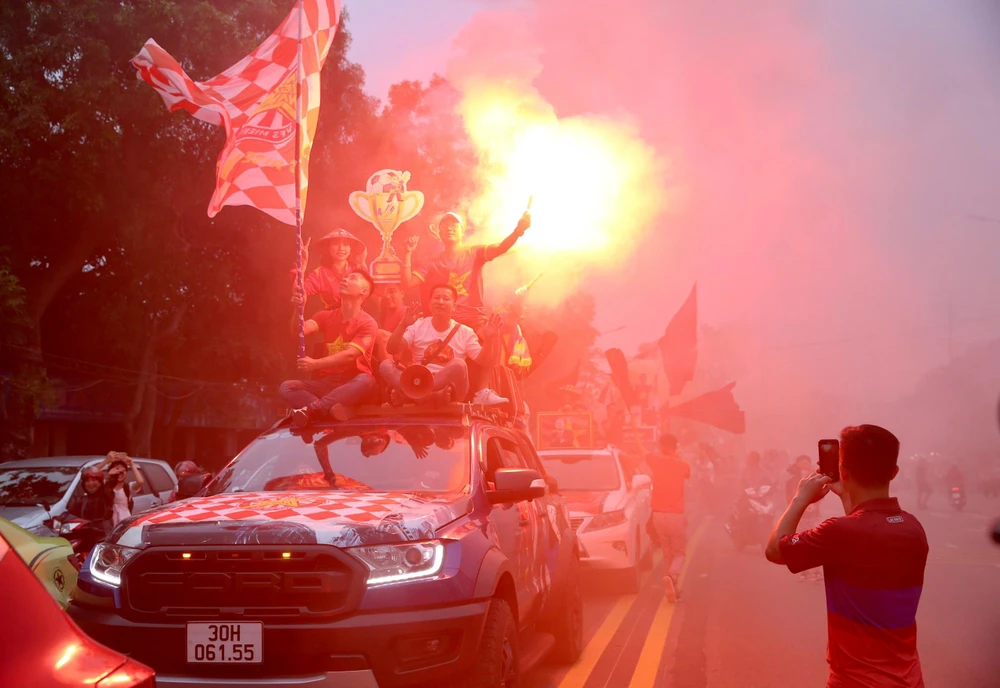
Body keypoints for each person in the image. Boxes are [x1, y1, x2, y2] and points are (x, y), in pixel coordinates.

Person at [765, 425, 929, 688]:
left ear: (843, 471)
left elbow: (775, 550)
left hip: (855, 681)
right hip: (909, 680)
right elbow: (864, 533)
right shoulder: (912, 528)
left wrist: (800, 498)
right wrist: (845, 494)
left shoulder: (839, 532)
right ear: (894, 472)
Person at [401, 211, 531, 331]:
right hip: (444, 325)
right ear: (439, 233)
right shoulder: (432, 263)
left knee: (488, 341)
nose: (449, 228)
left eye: (454, 225)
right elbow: (407, 284)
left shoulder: (475, 253)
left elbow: (500, 248)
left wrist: (517, 231)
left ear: (462, 230)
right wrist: (407, 253)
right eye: (444, 226)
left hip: (474, 322)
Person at [280, 269, 379, 426]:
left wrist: (315, 364)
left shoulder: (368, 323)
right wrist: (298, 309)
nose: (344, 280)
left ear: (364, 291)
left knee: (367, 380)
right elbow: (299, 331)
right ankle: (332, 410)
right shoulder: (325, 316)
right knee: (287, 387)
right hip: (328, 384)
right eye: (345, 277)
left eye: (352, 278)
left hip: (353, 384)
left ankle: (312, 410)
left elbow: (350, 355)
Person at [382, 284, 503, 405]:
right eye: (436, 298)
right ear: (429, 304)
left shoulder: (465, 332)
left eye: (445, 298)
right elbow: (392, 349)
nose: (440, 302)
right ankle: (432, 396)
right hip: (419, 380)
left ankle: (413, 395)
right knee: (385, 365)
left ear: (454, 306)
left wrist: (488, 339)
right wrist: (402, 325)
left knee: (459, 365)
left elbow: (483, 361)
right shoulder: (418, 326)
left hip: (448, 389)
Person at [647, 433, 691, 603]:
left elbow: (645, 453)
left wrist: (659, 451)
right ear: (676, 447)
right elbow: (688, 472)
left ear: (660, 446)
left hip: (658, 516)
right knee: (679, 553)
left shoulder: (655, 462)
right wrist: (678, 455)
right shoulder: (681, 466)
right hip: (675, 516)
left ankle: (672, 588)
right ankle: (672, 577)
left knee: (667, 552)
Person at [294, 228, 368, 310]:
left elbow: (367, 291)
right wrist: (302, 268)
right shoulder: (320, 274)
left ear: (351, 248)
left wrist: (363, 262)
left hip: (355, 315)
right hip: (331, 316)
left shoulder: (358, 270)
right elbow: (299, 292)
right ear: (328, 248)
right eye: (335, 244)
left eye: (345, 244)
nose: (341, 248)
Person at [98, 452, 144, 528]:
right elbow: (92, 473)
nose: (119, 473)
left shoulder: (128, 487)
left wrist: (132, 464)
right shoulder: (105, 485)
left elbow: (140, 482)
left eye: (122, 471)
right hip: (109, 522)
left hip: (124, 521)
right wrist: (106, 461)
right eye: (117, 470)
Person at [65, 465, 113, 534]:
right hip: (85, 533)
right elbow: (71, 513)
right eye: (87, 481)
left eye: (94, 480)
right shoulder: (82, 500)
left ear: (100, 482)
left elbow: (108, 491)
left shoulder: (105, 496)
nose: (90, 483)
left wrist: (110, 478)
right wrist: (61, 518)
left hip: (102, 534)